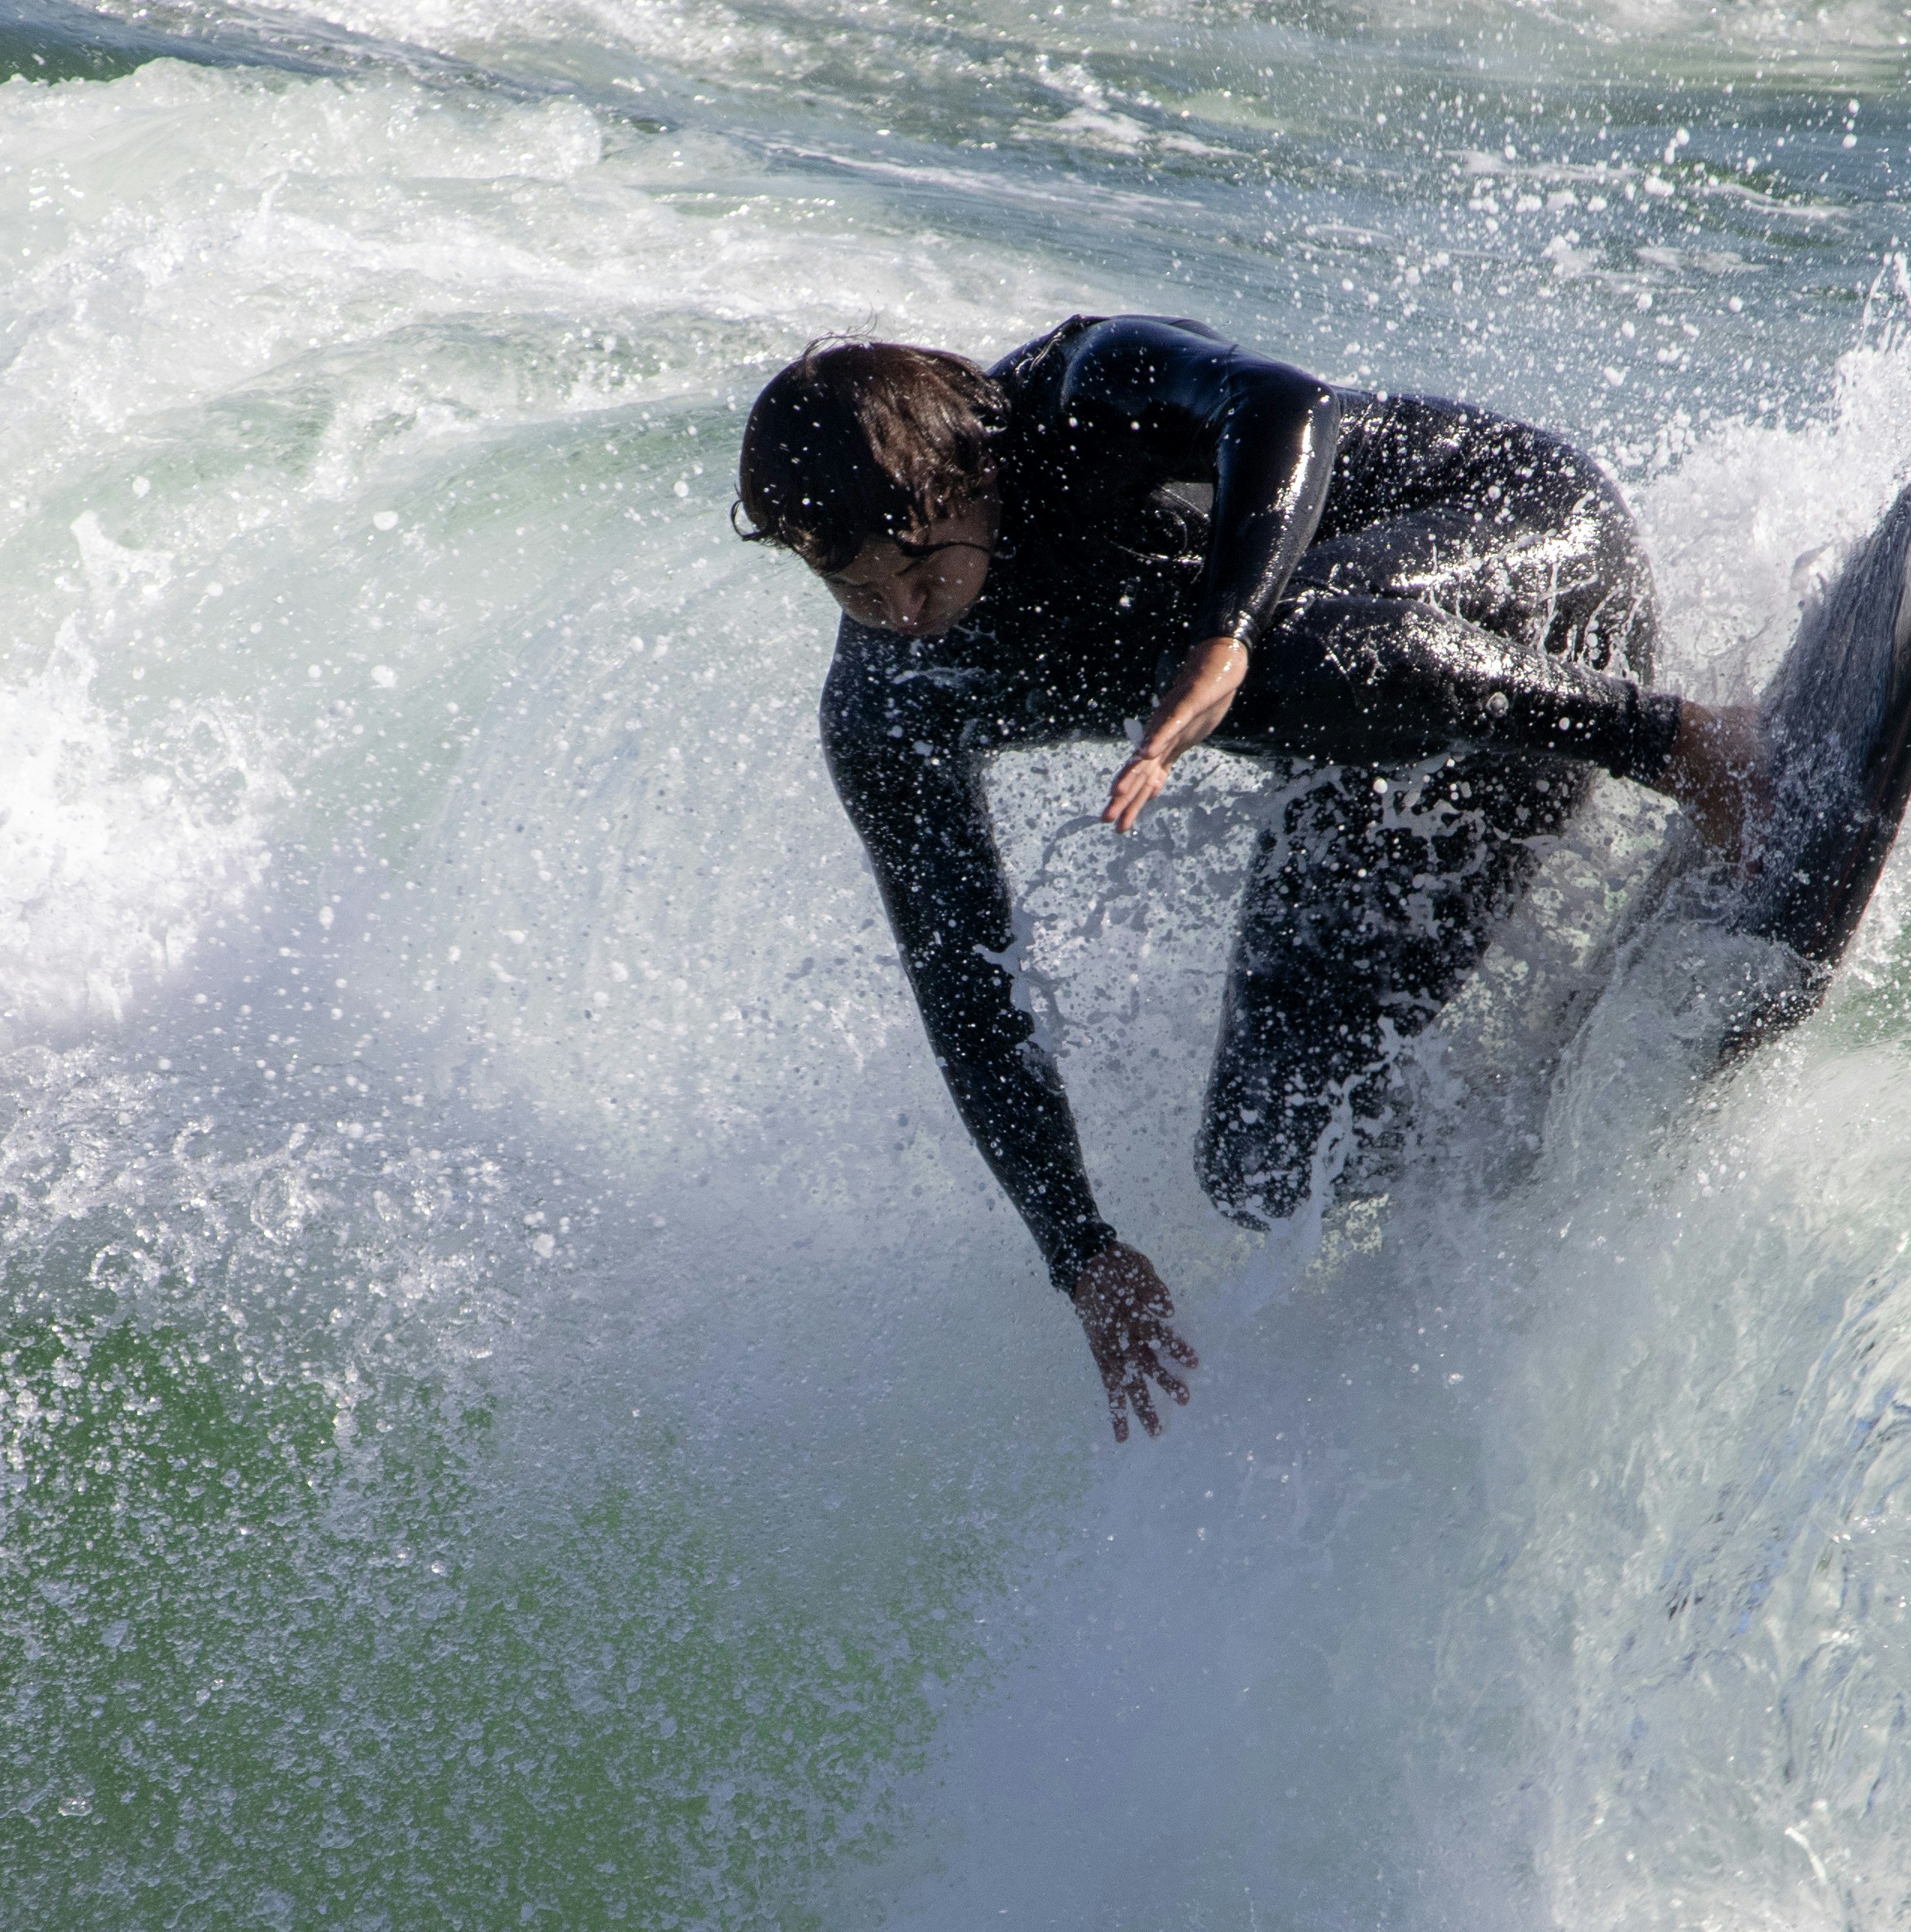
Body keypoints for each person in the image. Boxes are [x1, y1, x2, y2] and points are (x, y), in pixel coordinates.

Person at [738, 316, 1754, 1441]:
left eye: (921, 569)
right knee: (1266, 1152)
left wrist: (1228, 631)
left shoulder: (1077, 393)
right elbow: (964, 989)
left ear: (971, 475)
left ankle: (1699, 750)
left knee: (1283, 649)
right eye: (857, 592)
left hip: (1539, 569)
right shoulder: (890, 709)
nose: (906, 618)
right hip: (1419, 748)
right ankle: (1552, 1119)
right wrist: (1080, 1250)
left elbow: (1286, 403)